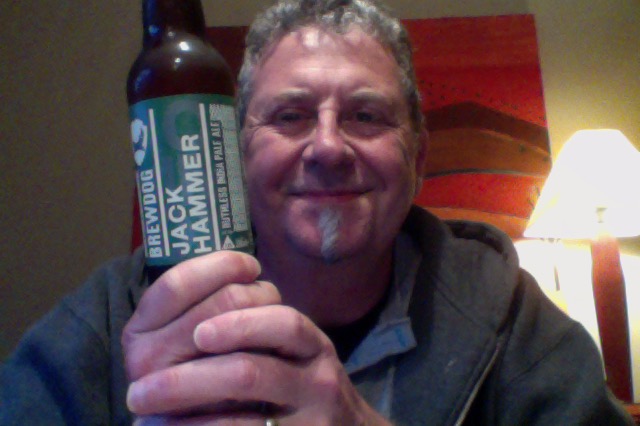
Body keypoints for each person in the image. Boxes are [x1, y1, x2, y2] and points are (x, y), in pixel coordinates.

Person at [1, 0, 635, 424]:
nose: (328, 148)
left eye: (366, 115)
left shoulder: (510, 314)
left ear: (417, 159)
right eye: (290, 115)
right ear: (238, 155)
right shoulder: (111, 315)